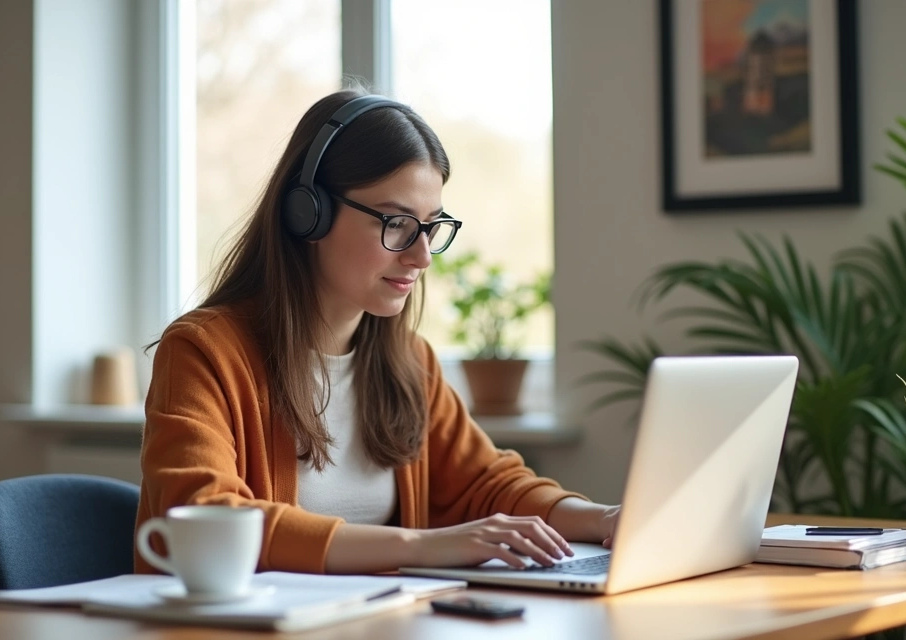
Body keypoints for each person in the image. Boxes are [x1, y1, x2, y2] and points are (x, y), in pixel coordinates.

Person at [135, 88, 619, 576]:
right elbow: (210, 517)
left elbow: (489, 484)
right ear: (308, 213)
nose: (421, 255)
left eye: (430, 227)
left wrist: (606, 519)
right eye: (397, 223)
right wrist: (421, 546)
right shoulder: (202, 353)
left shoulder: (409, 361)